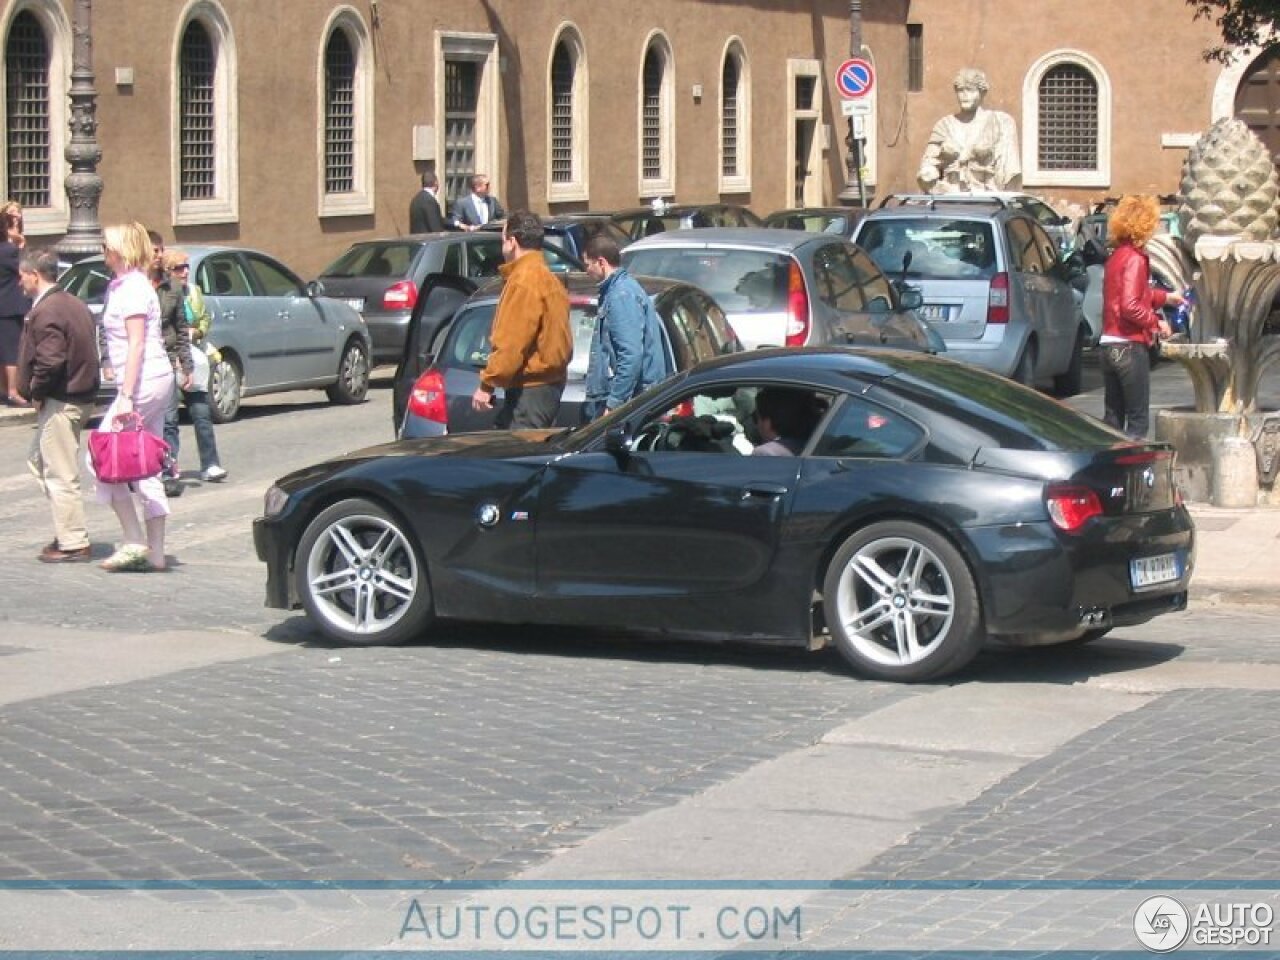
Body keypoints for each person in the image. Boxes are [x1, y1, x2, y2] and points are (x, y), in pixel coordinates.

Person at [96, 221, 176, 572]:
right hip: (155, 378)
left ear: (120, 250)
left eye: (106, 246)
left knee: (103, 456)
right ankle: (156, 552)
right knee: (145, 463)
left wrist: (126, 395)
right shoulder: (130, 285)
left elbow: (137, 342)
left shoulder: (131, 289)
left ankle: (133, 540)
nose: (102, 252)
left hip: (143, 381)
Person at [15, 248, 100, 562]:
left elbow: (51, 361)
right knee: (39, 460)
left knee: (60, 471)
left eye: (23, 276)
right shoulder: (73, 303)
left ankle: (74, 541)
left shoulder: (48, 310)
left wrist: (36, 390)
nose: (20, 283)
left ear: (34, 276)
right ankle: (67, 528)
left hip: (63, 399)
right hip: (78, 396)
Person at [470, 210, 571, 428]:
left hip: (530, 390)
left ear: (512, 242)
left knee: (521, 456)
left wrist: (487, 384)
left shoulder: (523, 281)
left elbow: (511, 343)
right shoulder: (549, 278)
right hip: (548, 386)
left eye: (503, 240)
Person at [1099, 195, 1182, 439]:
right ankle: (1132, 474)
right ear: (1144, 224)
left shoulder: (1116, 257)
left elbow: (1132, 294)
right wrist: (1157, 324)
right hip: (1129, 346)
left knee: (1113, 421)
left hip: (1108, 345)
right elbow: (1130, 305)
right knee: (1137, 423)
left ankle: (1107, 471)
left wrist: (1166, 298)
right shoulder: (1135, 258)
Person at [160, 249, 226, 490]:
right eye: (179, 268)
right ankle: (169, 469)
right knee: (169, 419)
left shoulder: (194, 292)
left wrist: (195, 332)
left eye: (186, 266)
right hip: (169, 359)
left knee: (201, 412)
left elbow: (205, 319)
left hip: (193, 359)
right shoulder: (162, 293)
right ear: (167, 271)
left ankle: (210, 464)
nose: (185, 271)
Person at [581, 233, 666, 421]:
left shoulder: (621, 295)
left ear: (601, 262)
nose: (586, 271)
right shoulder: (619, 290)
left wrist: (614, 405)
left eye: (588, 264)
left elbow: (631, 355)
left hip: (631, 400)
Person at [917, 67, 1020, 194]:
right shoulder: (944, 125)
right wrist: (928, 172)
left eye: (970, 90)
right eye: (960, 91)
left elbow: (1010, 169)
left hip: (988, 195)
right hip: (951, 194)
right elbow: (929, 160)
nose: (964, 96)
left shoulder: (1000, 122)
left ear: (982, 93)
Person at [0, 200, 31, 406]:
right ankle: (12, 391)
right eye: (12, 214)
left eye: (19, 213)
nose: (17, 216)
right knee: (11, 350)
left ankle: (5, 390)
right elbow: (23, 269)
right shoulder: (9, 250)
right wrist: (19, 247)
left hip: (7, 304)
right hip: (10, 304)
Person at [751, 388, 819, 457]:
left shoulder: (764, 453)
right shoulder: (814, 446)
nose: (756, 426)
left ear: (767, 423)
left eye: (756, 418)